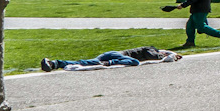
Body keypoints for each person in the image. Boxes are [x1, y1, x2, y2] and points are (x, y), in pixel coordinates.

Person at [40, 46, 184, 71]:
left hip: (112, 54)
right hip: (116, 55)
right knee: (135, 62)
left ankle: (55, 63)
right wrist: (170, 56)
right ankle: (56, 63)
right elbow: (156, 57)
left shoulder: (149, 51)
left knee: (86, 63)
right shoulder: (148, 50)